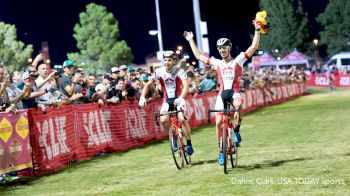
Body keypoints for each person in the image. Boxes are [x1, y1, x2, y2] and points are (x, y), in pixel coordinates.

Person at [184, 19, 261, 164]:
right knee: (218, 122)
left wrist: (257, 30)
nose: (221, 50)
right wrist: (191, 40)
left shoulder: (238, 60)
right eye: (219, 48)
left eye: (224, 48)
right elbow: (199, 56)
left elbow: (254, 46)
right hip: (221, 95)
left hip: (234, 92)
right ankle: (220, 151)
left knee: (238, 103)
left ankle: (236, 130)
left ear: (229, 48)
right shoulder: (217, 62)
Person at [138, 51, 194, 155]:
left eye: (169, 60)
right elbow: (147, 84)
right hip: (166, 101)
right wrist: (142, 97)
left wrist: (181, 98)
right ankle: (174, 138)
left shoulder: (180, 71)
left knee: (181, 119)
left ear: (174, 61)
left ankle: (189, 143)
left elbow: (186, 86)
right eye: (165, 60)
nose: (167, 62)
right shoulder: (159, 71)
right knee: (163, 120)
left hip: (178, 99)